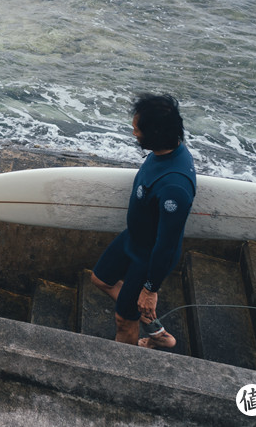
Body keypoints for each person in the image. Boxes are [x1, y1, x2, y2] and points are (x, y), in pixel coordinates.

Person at [90, 93, 197, 349]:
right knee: (101, 279)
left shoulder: (175, 188)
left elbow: (168, 245)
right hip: (133, 238)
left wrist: (149, 290)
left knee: (123, 321)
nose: (134, 132)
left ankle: (127, 365)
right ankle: (156, 329)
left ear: (156, 134)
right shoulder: (165, 151)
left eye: (138, 129)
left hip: (147, 257)